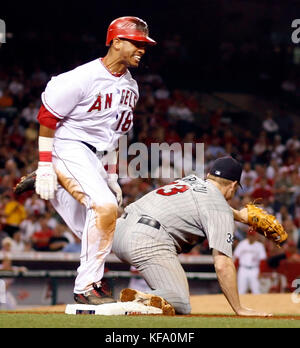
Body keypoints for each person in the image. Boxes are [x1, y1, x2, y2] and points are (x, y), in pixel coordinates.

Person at [32, 17, 156, 305]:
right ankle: (86, 286)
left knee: (101, 225)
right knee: (104, 207)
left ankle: (64, 184)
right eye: (136, 43)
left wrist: (111, 175)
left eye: (144, 45)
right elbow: (47, 119)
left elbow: (114, 137)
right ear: (115, 42)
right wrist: (44, 164)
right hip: (69, 145)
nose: (142, 49)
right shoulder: (81, 77)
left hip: (96, 157)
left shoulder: (131, 87)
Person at [112, 156, 272, 316]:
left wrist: (239, 216)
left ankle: (91, 291)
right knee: (180, 302)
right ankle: (131, 304)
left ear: (209, 176)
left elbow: (206, 204)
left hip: (119, 228)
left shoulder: (190, 180)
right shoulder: (219, 207)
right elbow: (222, 264)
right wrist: (239, 308)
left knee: (168, 294)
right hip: (145, 240)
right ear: (233, 185)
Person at [233, 228, 267, 294]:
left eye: (252, 235)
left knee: (256, 291)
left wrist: (261, 272)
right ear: (247, 236)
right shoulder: (242, 244)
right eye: (250, 235)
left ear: (255, 236)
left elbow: (263, 260)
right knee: (241, 291)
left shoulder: (259, 246)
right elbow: (236, 258)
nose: (251, 237)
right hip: (243, 269)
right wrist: (235, 271)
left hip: (254, 269)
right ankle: (241, 304)